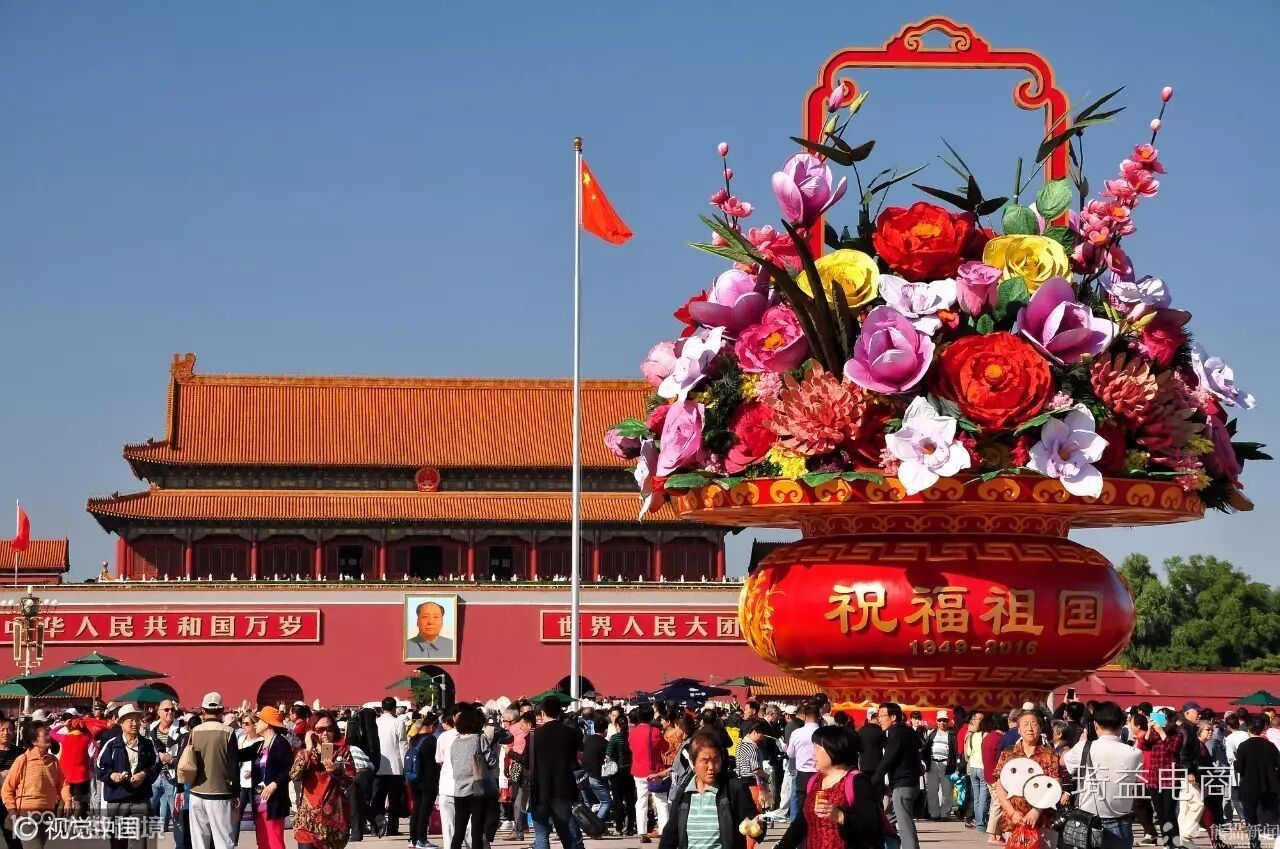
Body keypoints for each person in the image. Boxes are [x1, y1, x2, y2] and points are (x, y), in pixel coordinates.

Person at [774, 725, 884, 849]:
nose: (813, 753)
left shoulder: (857, 782)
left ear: (832, 749)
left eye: (817, 748)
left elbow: (871, 827)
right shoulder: (815, 781)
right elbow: (800, 824)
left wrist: (840, 816)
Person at [657, 730, 759, 849]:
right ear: (693, 762)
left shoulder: (734, 789)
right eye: (705, 761)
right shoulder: (684, 793)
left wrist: (757, 826)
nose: (711, 767)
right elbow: (670, 835)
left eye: (716, 760)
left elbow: (755, 826)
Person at [1063, 701, 1145, 849]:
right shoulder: (1135, 753)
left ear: (1095, 725)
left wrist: (1081, 742)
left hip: (1087, 823)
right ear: (1121, 726)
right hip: (1121, 824)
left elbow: (1063, 762)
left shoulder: (1083, 747)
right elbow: (1136, 779)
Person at [991, 711, 1063, 845]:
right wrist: (1012, 813)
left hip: (1044, 821)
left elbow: (1055, 785)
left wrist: (1036, 810)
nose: (1029, 728)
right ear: (1019, 729)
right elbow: (1000, 786)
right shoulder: (1009, 753)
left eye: (1034, 724)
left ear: (1040, 728)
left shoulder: (1050, 754)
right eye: (1025, 724)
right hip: (1014, 820)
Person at [96, 704, 160, 849]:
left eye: (137, 720)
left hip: (140, 799)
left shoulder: (148, 744)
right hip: (117, 800)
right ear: (121, 723)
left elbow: (156, 764)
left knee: (139, 842)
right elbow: (100, 767)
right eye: (130, 720)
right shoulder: (112, 745)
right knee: (118, 843)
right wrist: (112, 775)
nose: (134, 723)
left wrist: (143, 774)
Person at [291, 711, 357, 849]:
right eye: (320, 730)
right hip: (307, 819)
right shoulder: (306, 753)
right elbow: (295, 775)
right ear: (312, 732)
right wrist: (308, 748)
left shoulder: (342, 752)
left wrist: (335, 773)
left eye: (329, 728)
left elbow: (349, 782)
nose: (326, 733)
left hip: (332, 820)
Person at [187, 691, 241, 849]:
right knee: (223, 841)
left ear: (203, 710)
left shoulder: (195, 731)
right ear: (221, 710)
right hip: (220, 793)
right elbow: (233, 764)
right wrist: (236, 793)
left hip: (196, 792)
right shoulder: (228, 732)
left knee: (199, 843)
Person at [529, 698, 582, 849]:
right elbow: (574, 760)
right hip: (563, 788)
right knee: (566, 831)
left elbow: (528, 762)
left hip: (540, 789)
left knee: (541, 834)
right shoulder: (570, 733)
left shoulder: (534, 735)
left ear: (542, 713)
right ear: (560, 712)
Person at [445, 706, 497, 849]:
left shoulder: (455, 742)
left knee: (459, 829)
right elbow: (492, 761)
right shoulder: (479, 738)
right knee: (477, 828)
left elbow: (454, 763)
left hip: (459, 789)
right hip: (476, 788)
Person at [871, 703, 920, 849]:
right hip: (910, 783)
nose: (879, 719)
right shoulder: (908, 731)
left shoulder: (896, 733)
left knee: (905, 826)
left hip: (903, 785)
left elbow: (888, 759)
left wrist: (873, 781)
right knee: (886, 820)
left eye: (882, 716)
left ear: (893, 717)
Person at [246, 706, 295, 849]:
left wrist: (275, 784)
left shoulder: (280, 743)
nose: (256, 723)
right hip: (259, 798)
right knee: (263, 840)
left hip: (274, 800)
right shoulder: (260, 745)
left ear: (267, 724)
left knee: (274, 840)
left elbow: (290, 769)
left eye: (259, 720)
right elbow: (241, 754)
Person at [1134, 708, 1183, 848]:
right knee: (1161, 814)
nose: (1160, 721)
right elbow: (1142, 745)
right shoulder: (1153, 735)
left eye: (1163, 717)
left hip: (1170, 778)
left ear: (1170, 720)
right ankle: (1167, 843)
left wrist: (1162, 732)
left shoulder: (1177, 734)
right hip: (1154, 778)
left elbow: (1173, 750)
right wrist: (1149, 730)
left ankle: (1175, 843)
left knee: (1169, 812)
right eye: (1158, 717)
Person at [1234, 713, 1280, 849]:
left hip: (1249, 785)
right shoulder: (1270, 746)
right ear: (1263, 729)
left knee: (1251, 816)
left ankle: (1254, 842)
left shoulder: (1243, 746)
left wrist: (1236, 761)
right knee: (1271, 812)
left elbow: (1239, 768)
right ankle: (1273, 834)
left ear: (1249, 729)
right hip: (1269, 785)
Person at [630, 704, 668, 842]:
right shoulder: (656, 732)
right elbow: (665, 747)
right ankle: (664, 830)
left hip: (638, 770)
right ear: (652, 716)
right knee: (661, 801)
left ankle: (642, 832)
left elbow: (632, 748)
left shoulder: (632, 732)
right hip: (655, 770)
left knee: (641, 801)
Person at [373, 696, 409, 837]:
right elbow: (403, 745)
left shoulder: (376, 722)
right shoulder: (398, 723)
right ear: (395, 708)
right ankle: (392, 829)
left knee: (378, 798)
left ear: (382, 708)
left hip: (378, 766)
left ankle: (378, 826)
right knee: (394, 800)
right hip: (395, 767)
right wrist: (405, 766)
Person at [345, 707, 380, 842]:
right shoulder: (373, 732)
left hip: (357, 772)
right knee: (361, 802)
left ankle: (359, 831)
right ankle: (374, 823)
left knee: (356, 803)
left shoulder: (352, 735)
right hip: (369, 769)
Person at [147, 699, 182, 832]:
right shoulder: (151, 729)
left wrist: (171, 760)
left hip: (172, 777)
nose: (170, 712)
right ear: (159, 712)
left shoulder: (181, 730)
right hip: (154, 776)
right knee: (147, 809)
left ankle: (180, 841)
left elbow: (186, 756)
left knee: (176, 813)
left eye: (172, 709)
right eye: (166, 710)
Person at [784, 704, 820, 822]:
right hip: (819, 773)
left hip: (802, 773)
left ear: (805, 716)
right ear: (818, 716)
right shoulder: (822, 732)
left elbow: (790, 754)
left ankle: (799, 825)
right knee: (818, 802)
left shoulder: (797, 733)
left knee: (801, 802)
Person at [735, 720, 768, 847]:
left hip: (741, 784)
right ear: (754, 732)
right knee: (754, 823)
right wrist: (766, 775)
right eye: (761, 735)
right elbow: (756, 769)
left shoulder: (740, 745)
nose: (762, 738)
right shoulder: (752, 747)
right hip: (753, 785)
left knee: (745, 820)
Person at [231, 714, 260, 846]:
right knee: (236, 815)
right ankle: (233, 842)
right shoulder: (241, 739)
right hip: (242, 783)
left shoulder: (261, 741)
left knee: (258, 817)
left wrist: (254, 771)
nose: (243, 726)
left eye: (247, 723)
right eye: (243, 723)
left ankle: (261, 842)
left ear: (254, 725)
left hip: (256, 785)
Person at [923, 710, 956, 821]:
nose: (942, 722)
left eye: (944, 720)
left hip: (947, 764)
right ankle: (934, 814)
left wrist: (955, 765)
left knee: (947, 790)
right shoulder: (932, 734)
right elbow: (925, 749)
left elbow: (955, 751)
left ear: (948, 721)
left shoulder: (952, 735)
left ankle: (945, 814)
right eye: (940, 720)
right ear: (937, 721)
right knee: (932, 789)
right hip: (933, 763)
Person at [606, 712, 635, 837]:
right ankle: (630, 827)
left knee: (617, 800)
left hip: (617, 772)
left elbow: (608, 755)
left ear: (617, 725)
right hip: (631, 771)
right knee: (630, 800)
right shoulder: (631, 737)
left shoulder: (614, 738)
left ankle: (619, 826)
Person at [581, 712, 612, 826]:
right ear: (606, 730)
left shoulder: (588, 740)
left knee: (591, 803)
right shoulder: (605, 743)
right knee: (606, 801)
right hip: (596, 776)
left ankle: (598, 825)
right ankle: (596, 825)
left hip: (585, 776)